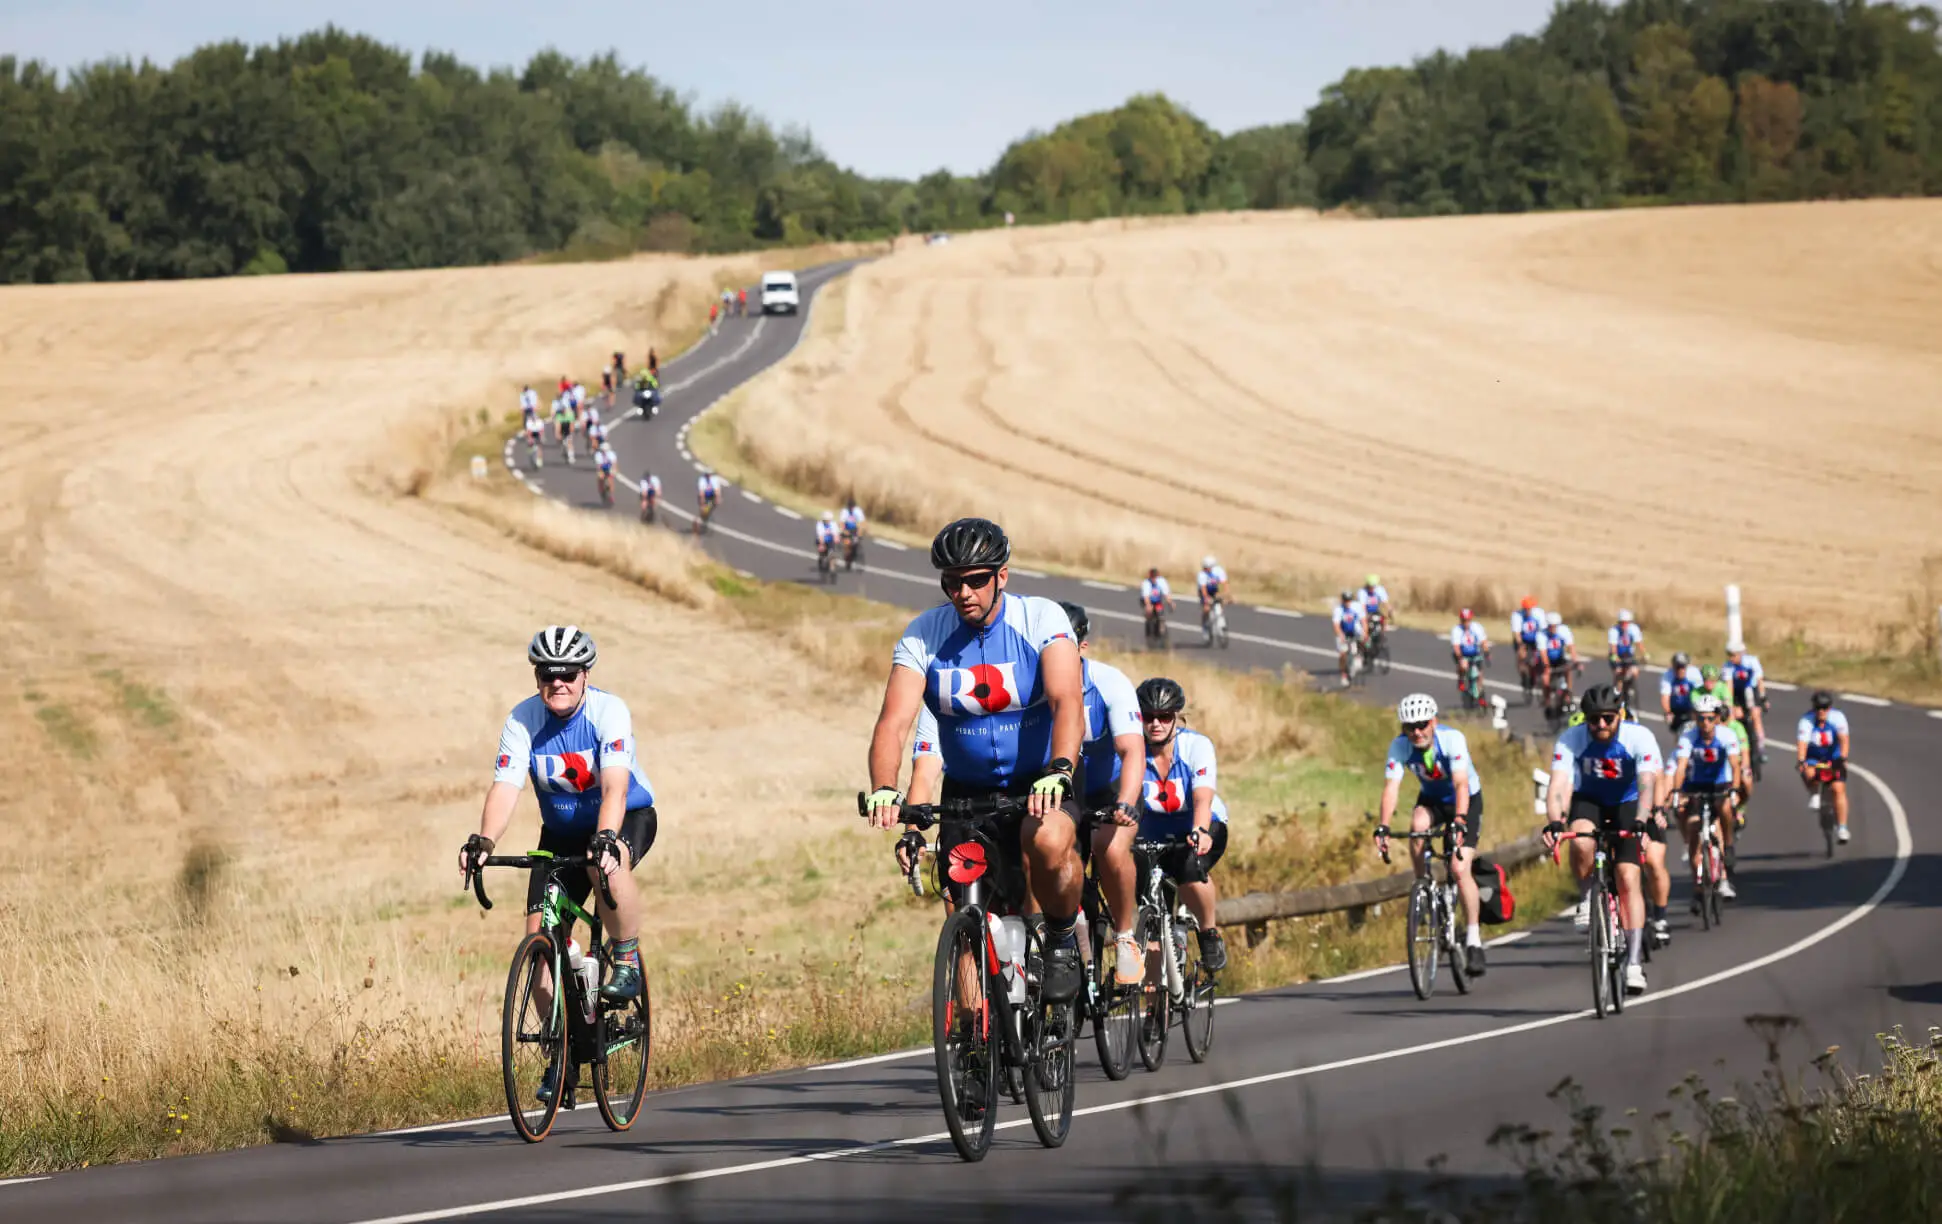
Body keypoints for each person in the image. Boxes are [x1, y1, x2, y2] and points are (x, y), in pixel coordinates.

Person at [862, 518, 1088, 1001]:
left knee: (1048, 841)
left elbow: (1066, 700)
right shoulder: (924, 634)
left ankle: (1063, 937)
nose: (963, 592)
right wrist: (884, 787)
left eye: (976, 580)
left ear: (1001, 575)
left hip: (1041, 779)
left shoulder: (1040, 618)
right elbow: (893, 722)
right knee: (963, 909)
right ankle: (972, 1030)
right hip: (968, 791)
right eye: (951, 582)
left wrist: (1060, 769)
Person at [460, 627, 656, 1101]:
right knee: (539, 948)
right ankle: (562, 1056)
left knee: (604, 866)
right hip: (560, 833)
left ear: (585, 674)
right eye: (548, 675)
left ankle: (625, 956)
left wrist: (606, 838)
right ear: (537, 677)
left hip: (624, 816)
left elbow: (614, 787)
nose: (558, 683)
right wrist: (485, 840)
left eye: (567, 673)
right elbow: (506, 787)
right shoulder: (523, 719)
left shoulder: (608, 711)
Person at [907, 600, 1146, 985]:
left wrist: (1126, 802)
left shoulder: (1106, 682)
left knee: (1108, 849)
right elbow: (926, 765)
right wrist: (912, 823)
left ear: (1081, 646)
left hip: (1102, 789)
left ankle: (1123, 935)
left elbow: (1132, 750)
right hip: (1014, 792)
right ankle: (1001, 986)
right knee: (990, 877)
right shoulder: (986, 689)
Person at [1543, 683, 1664, 996]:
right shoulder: (1571, 739)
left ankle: (1634, 963)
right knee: (1581, 840)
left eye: (1608, 718)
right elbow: (1558, 786)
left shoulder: (1639, 737)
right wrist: (1555, 822)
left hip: (1628, 802)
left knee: (1627, 877)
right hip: (1590, 800)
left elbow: (1647, 783)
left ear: (1619, 715)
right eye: (1593, 719)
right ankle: (1587, 898)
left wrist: (1642, 821)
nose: (1600, 725)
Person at [1377, 694, 1487, 976]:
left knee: (1459, 868)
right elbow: (1391, 788)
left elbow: (1461, 784)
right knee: (1417, 827)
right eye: (1410, 727)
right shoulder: (1400, 746)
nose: (1417, 732)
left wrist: (1460, 821)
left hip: (1465, 802)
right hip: (1433, 801)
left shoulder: (1452, 739)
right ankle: (1423, 888)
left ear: (1434, 722)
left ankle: (1474, 940)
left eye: (1422, 725)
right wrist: (1383, 826)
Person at [1133, 677, 1229, 973]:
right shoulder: (1131, 749)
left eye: (1164, 717)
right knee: (1148, 914)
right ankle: (1153, 999)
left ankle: (1209, 933)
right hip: (1151, 835)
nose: (1155, 724)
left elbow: (1202, 799)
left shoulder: (1196, 746)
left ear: (1176, 717)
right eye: (1148, 717)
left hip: (1199, 825)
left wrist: (1200, 831)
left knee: (1190, 868)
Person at [1669, 693, 1744, 908]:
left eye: (1710, 718)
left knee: (1725, 807)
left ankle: (1728, 845)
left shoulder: (1727, 735)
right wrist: (1676, 791)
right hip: (1695, 785)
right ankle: (1698, 887)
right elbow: (1681, 766)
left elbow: (1735, 765)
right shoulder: (1688, 737)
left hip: (1720, 784)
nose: (1705, 723)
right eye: (1701, 718)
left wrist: (1734, 789)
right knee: (1694, 834)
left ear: (1717, 718)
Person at [1796, 690, 1851, 843]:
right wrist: (1801, 760)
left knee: (1838, 789)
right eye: (1818, 708)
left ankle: (1842, 828)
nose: (1821, 711)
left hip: (1833, 757)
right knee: (1808, 772)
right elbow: (1802, 744)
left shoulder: (1838, 718)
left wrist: (1843, 758)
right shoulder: (1806, 721)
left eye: (1825, 708)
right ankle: (1814, 793)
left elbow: (1844, 740)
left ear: (1829, 708)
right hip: (1813, 757)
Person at [1723, 640, 1768, 765]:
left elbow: (1759, 681)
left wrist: (1763, 698)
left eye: (1733, 655)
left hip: (1751, 691)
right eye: (1729, 655)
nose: (1731, 658)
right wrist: (1730, 706)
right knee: (1733, 717)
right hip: (1737, 694)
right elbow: (1729, 688)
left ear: (1741, 653)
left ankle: (1761, 746)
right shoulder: (1727, 666)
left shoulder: (1752, 661)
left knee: (1756, 716)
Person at [1448, 608, 1490, 700]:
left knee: (1480, 675)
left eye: (1468, 620)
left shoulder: (1476, 627)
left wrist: (1487, 653)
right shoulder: (1457, 630)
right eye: (1464, 620)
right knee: (1464, 665)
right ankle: (1461, 679)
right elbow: (1456, 647)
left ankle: (1479, 694)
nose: (1466, 623)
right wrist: (1461, 658)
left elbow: (1483, 641)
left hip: (1475, 654)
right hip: (1462, 654)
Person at [1535, 612, 1578, 701]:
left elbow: (1571, 647)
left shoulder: (1564, 630)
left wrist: (1575, 661)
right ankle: (1547, 699)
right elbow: (1543, 653)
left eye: (1555, 626)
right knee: (1545, 678)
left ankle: (1568, 693)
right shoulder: (1541, 634)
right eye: (1551, 626)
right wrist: (1547, 667)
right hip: (1546, 660)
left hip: (1559, 658)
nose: (1553, 628)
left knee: (1568, 670)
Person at [1660, 651, 1703, 735]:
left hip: (1691, 708)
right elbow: (1665, 697)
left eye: (1682, 667)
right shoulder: (1667, 676)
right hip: (1676, 709)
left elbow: (1701, 693)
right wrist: (1668, 712)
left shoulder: (1694, 674)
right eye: (1677, 667)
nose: (1680, 670)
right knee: (1678, 732)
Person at [1332, 590, 1367, 688]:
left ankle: (1359, 656)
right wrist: (1340, 635)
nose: (1347, 603)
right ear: (1342, 601)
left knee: (1362, 641)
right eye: (1346, 600)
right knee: (1342, 654)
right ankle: (1343, 674)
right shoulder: (1338, 610)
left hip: (1354, 630)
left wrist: (1365, 632)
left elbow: (1363, 621)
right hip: (1343, 632)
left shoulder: (1357, 607)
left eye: (1349, 600)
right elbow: (1336, 625)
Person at [1511, 596, 1548, 687]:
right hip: (1523, 640)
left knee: (1541, 656)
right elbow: (1517, 634)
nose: (1528, 610)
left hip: (1536, 639)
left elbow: (1543, 630)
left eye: (1529, 608)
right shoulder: (1517, 616)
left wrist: (1542, 644)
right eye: (1526, 609)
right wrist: (1521, 646)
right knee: (1521, 656)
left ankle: (1539, 673)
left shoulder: (1539, 613)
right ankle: (1523, 675)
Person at [1607, 610, 1645, 696]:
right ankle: (1616, 691)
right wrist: (1615, 657)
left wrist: (1644, 654)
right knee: (1619, 672)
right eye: (1622, 623)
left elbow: (1639, 643)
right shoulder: (1613, 631)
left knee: (1635, 671)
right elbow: (1613, 647)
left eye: (1626, 623)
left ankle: (1629, 686)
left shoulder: (1634, 629)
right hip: (1616, 654)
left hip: (1628, 654)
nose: (1624, 625)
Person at [1138, 568, 1173, 638]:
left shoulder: (1161, 581)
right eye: (1152, 577)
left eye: (1155, 577)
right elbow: (1146, 597)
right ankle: (1149, 626)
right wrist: (1148, 606)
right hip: (1147, 600)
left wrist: (1171, 603)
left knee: (1160, 613)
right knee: (1149, 612)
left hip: (1157, 601)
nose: (1154, 579)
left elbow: (1166, 594)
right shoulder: (1146, 583)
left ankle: (1161, 627)